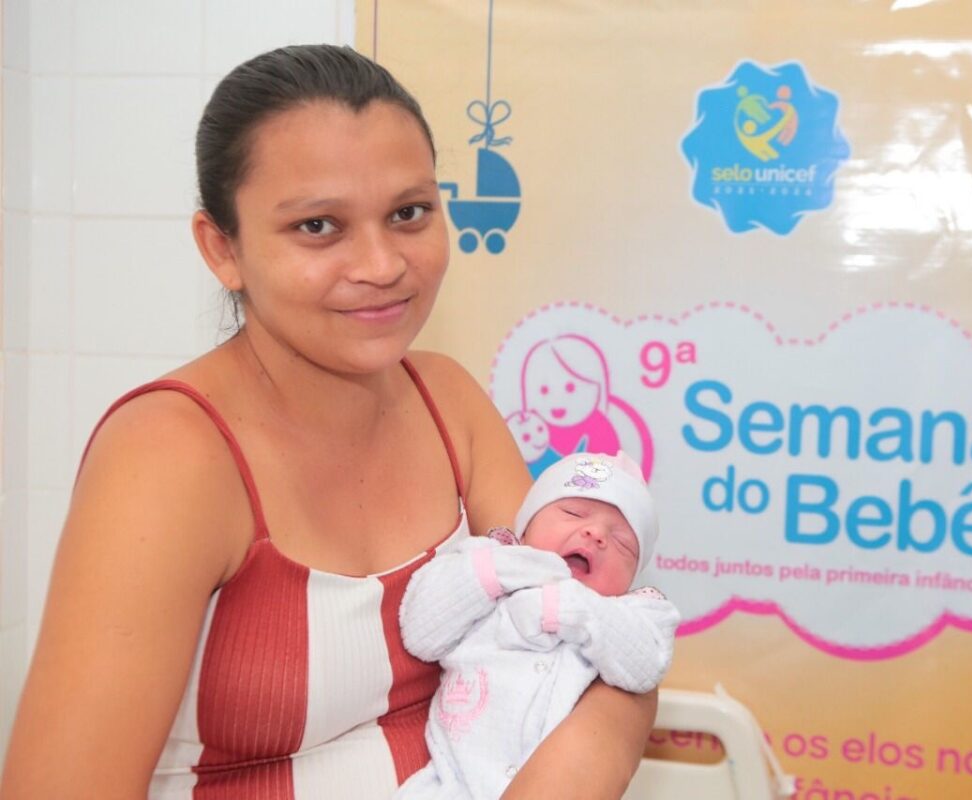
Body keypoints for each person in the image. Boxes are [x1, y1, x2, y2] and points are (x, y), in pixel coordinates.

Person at [0, 45, 656, 799]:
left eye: (408, 213)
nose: (381, 264)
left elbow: (612, 637)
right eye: (318, 225)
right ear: (222, 249)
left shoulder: (450, 404)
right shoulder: (169, 456)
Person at [396, 452, 680, 799]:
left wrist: (570, 608)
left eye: (623, 543)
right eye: (573, 513)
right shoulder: (487, 564)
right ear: (526, 526)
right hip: (450, 784)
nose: (595, 534)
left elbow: (646, 665)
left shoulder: (626, 615)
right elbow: (420, 633)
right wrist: (499, 571)